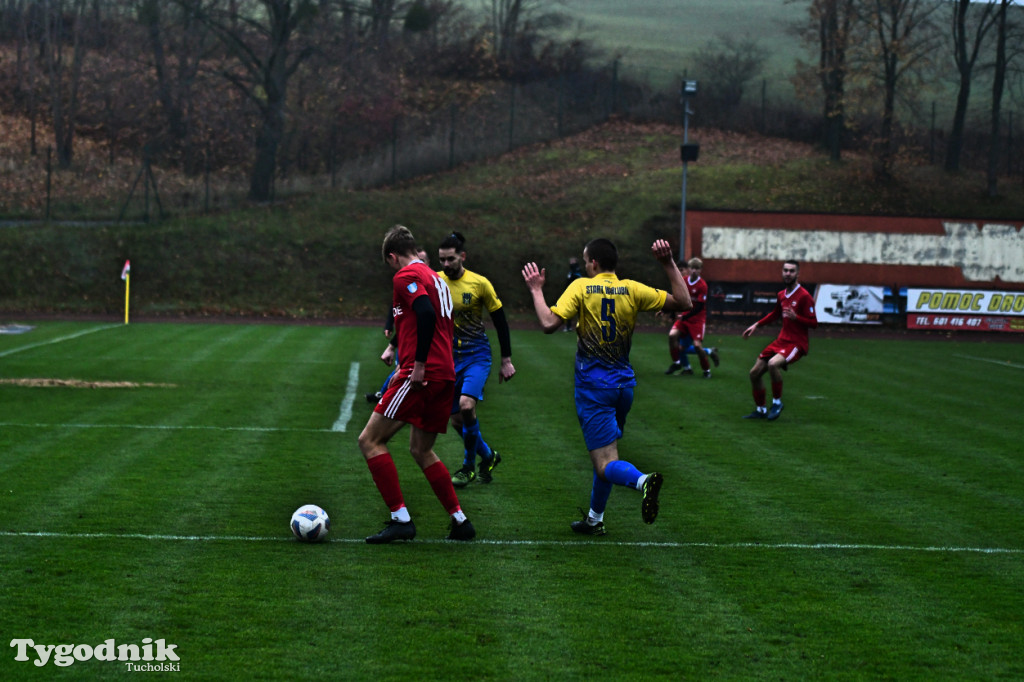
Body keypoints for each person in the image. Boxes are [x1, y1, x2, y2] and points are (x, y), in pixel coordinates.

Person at [521, 238, 692, 536]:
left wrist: (536, 290)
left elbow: (549, 322)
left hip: (594, 388)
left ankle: (643, 481)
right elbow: (684, 303)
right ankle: (594, 519)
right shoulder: (632, 288)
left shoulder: (582, 287)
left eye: (586, 260)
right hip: (624, 387)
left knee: (605, 463)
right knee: (606, 454)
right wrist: (667, 264)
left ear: (593, 264)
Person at [357, 226, 475, 543]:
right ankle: (460, 521)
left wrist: (417, 363)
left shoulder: (405, 277)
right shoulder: (437, 278)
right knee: (421, 450)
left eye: (390, 263)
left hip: (422, 374)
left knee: (369, 440)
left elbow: (423, 312)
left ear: (393, 257)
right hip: (445, 373)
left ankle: (400, 519)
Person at [436, 232, 515, 487]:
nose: (446, 265)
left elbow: (500, 320)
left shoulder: (479, 284)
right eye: (442, 260)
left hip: (476, 355)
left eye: (450, 259)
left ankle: (468, 467)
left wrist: (506, 359)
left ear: (463, 256)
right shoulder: (435, 281)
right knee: (457, 420)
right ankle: (489, 456)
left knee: (467, 406)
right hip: (449, 357)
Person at [741, 259, 818, 421]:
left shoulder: (804, 296)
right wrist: (756, 325)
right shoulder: (782, 295)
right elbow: (775, 314)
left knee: (772, 364)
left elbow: (814, 323)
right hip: (781, 341)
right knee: (754, 373)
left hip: (796, 344)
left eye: (791, 271)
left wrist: (797, 318)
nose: (788, 274)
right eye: (785, 270)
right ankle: (760, 410)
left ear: (798, 274)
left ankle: (777, 402)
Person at [365, 249, 429, 405]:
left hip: (425, 355)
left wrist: (419, 364)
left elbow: (425, 316)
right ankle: (384, 393)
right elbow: (397, 307)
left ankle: (384, 395)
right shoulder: (418, 281)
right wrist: (392, 341)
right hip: (420, 352)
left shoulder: (417, 280)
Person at [664, 257, 719, 378]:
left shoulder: (702, 285)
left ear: (700, 270)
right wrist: (667, 310)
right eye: (692, 268)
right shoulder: (683, 281)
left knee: (697, 346)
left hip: (697, 320)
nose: (694, 270)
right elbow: (676, 298)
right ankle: (677, 363)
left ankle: (707, 370)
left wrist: (685, 316)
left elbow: (699, 307)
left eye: (697, 268)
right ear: (689, 269)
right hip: (684, 317)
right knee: (672, 336)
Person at [563, 256, 583, 331]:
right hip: (569, 293)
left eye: (572, 261)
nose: (570, 262)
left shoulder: (577, 272)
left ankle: (581, 326)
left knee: (578, 310)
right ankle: (568, 326)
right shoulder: (571, 272)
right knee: (569, 310)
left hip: (575, 293)